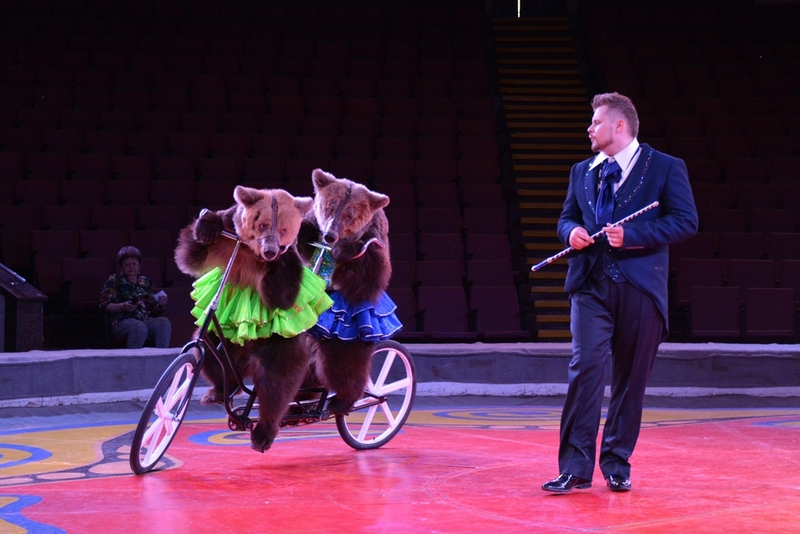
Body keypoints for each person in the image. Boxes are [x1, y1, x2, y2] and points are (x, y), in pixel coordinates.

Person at [541, 92, 698, 493]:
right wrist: (571, 233)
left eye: (596, 122)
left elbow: (686, 221)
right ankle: (575, 467)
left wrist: (633, 235)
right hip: (590, 285)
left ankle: (616, 462)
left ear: (619, 125)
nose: (589, 128)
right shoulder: (581, 171)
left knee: (630, 380)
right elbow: (566, 217)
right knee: (585, 369)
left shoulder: (665, 166)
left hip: (641, 287)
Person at [99, 246, 171, 349]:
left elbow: (154, 309)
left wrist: (160, 304)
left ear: (139, 266)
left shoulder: (146, 282)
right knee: (138, 327)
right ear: (122, 267)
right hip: (123, 321)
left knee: (163, 322)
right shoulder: (114, 281)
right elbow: (104, 305)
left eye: (134, 264)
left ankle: (161, 356)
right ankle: (132, 358)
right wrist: (122, 306)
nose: (131, 267)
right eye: (127, 264)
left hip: (145, 319)